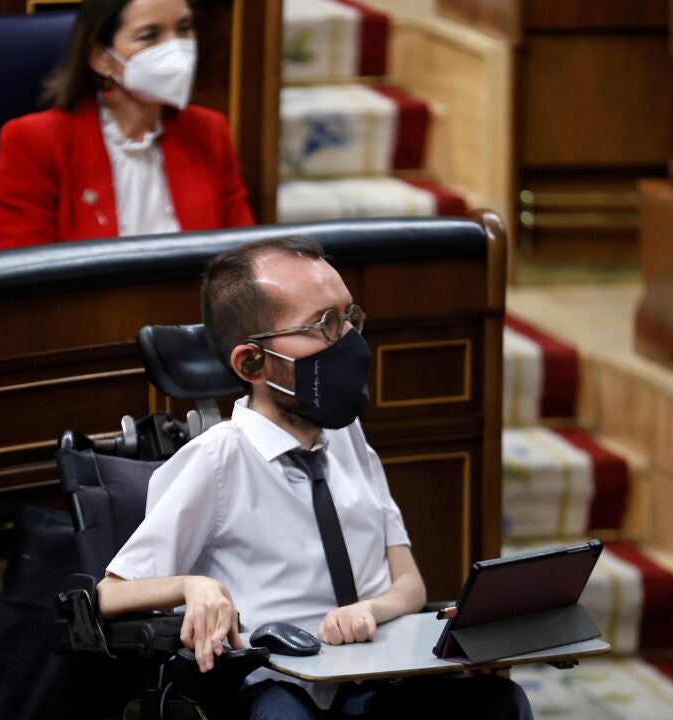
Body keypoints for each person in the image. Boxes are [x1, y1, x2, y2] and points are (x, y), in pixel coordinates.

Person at [97, 237, 534, 718]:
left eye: (349, 317)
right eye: (326, 324)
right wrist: (191, 586)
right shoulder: (218, 459)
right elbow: (109, 594)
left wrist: (369, 611)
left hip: (373, 674)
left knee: (500, 703)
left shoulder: (347, 435)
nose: (349, 339)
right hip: (281, 684)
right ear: (252, 361)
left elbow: (409, 585)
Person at [0, 0, 254, 250]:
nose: (176, 49)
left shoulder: (209, 131)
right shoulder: (35, 141)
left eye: (183, 28)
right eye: (149, 35)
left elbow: (243, 256)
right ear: (101, 58)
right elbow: (22, 270)